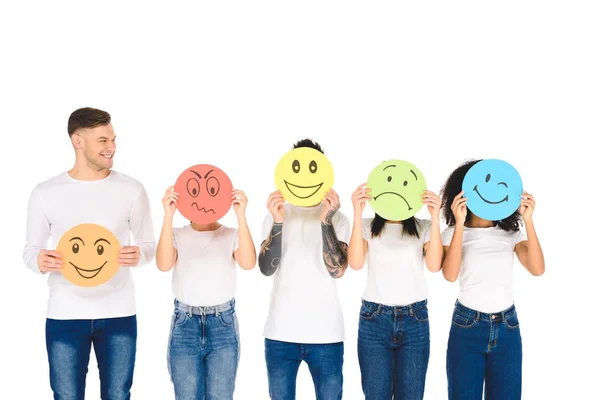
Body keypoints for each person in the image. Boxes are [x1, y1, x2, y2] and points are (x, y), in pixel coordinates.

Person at [22, 107, 156, 399]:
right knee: (66, 395)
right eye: (103, 141)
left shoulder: (132, 189)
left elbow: (149, 246)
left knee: (118, 394)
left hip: (119, 312)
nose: (112, 148)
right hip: (65, 314)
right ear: (77, 141)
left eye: (113, 139)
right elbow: (30, 250)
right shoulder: (46, 192)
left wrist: (139, 255)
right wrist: (40, 261)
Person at [440, 159, 545, 399]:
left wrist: (528, 220)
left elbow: (537, 269)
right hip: (467, 326)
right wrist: (458, 223)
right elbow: (449, 275)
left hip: (507, 327)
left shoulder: (511, 234)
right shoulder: (452, 234)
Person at [258, 139, 351, 400]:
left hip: (327, 335)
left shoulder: (339, 219)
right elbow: (266, 268)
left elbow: (338, 270)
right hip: (280, 335)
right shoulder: (276, 213)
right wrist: (277, 222)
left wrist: (326, 221)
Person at [156, 182, 256, 399]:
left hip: (222, 324)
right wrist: (168, 216)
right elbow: (163, 264)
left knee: (221, 395)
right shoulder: (176, 233)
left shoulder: (231, 234)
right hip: (185, 323)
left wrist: (241, 216)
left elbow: (248, 263)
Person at [348, 182, 444, 399]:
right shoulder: (366, 225)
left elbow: (434, 265)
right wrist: (356, 211)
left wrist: (436, 217)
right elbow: (354, 263)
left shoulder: (424, 226)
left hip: (415, 320)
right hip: (374, 319)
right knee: (375, 395)